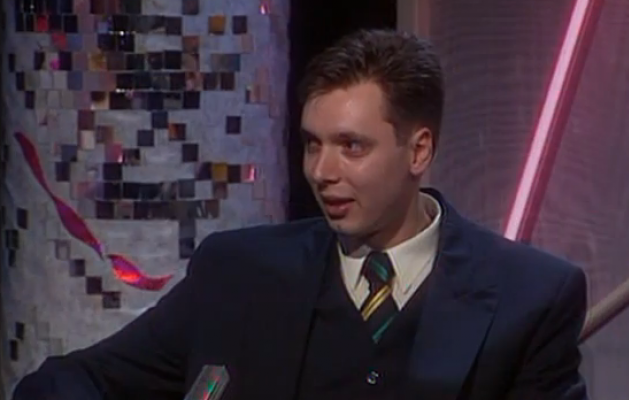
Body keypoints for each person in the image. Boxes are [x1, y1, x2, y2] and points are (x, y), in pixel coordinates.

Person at [13, 29, 588, 400]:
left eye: (351, 146)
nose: (321, 171)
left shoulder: (529, 298)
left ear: (418, 151)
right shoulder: (238, 273)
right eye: (313, 144)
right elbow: (73, 382)